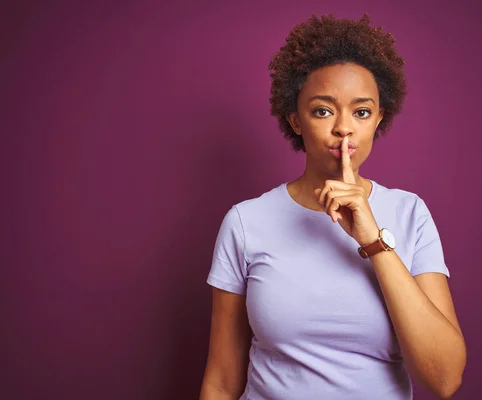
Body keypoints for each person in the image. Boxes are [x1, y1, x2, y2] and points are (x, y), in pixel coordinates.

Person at [199, 13, 466, 400]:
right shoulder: (246, 222)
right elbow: (222, 381)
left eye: (361, 112)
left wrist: (373, 240)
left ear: (378, 120)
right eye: (323, 110)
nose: (344, 128)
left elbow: (444, 379)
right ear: (295, 119)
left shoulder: (410, 214)